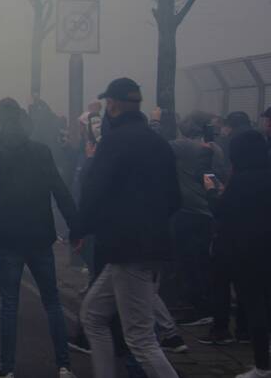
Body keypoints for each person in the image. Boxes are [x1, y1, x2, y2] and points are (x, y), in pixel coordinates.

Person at [70, 78, 181, 378]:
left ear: (114, 105)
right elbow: (174, 198)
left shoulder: (114, 142)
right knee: (92, 315)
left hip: (125, 247)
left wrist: (79, 229)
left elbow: (95, 191)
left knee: (140, 339)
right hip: (150, 244)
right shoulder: (158, 143)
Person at [0, 98, 78, 378]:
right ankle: (64, 365)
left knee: (9, 304)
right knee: (52, 301)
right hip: (40, 235)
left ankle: (8, 368)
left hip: (8, 236)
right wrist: (76, 227)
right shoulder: (41, 151)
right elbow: (59, 190)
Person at [205, 130, 271, 378]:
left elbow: (221, 211)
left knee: (254, 306)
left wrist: (211, 191)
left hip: (245, 251)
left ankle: (263, 366)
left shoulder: (241, 180)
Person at [168, 112, 216, 327]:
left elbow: (157, 145)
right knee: (202, 260)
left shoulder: (185, 147)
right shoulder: (215, 148)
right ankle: (205, 304)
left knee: (188, 262)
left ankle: (197, 307)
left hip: (189, 210)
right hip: (208, 211)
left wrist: (157, 120)